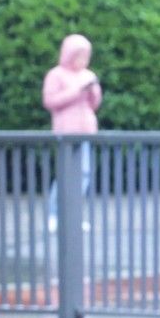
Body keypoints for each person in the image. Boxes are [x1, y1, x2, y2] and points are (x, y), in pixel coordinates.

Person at [42, 33, 102, 231]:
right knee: (65, 174)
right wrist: (77, 91)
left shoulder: (87, 75)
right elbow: (50, 101)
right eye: (79, 56)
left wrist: (92, 91)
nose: (83, 61)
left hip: (85, 131)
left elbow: (94, 104)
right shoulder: (56, 74)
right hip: (66, 132)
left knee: (83, 174)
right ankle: (54, 214)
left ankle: (74, 214)